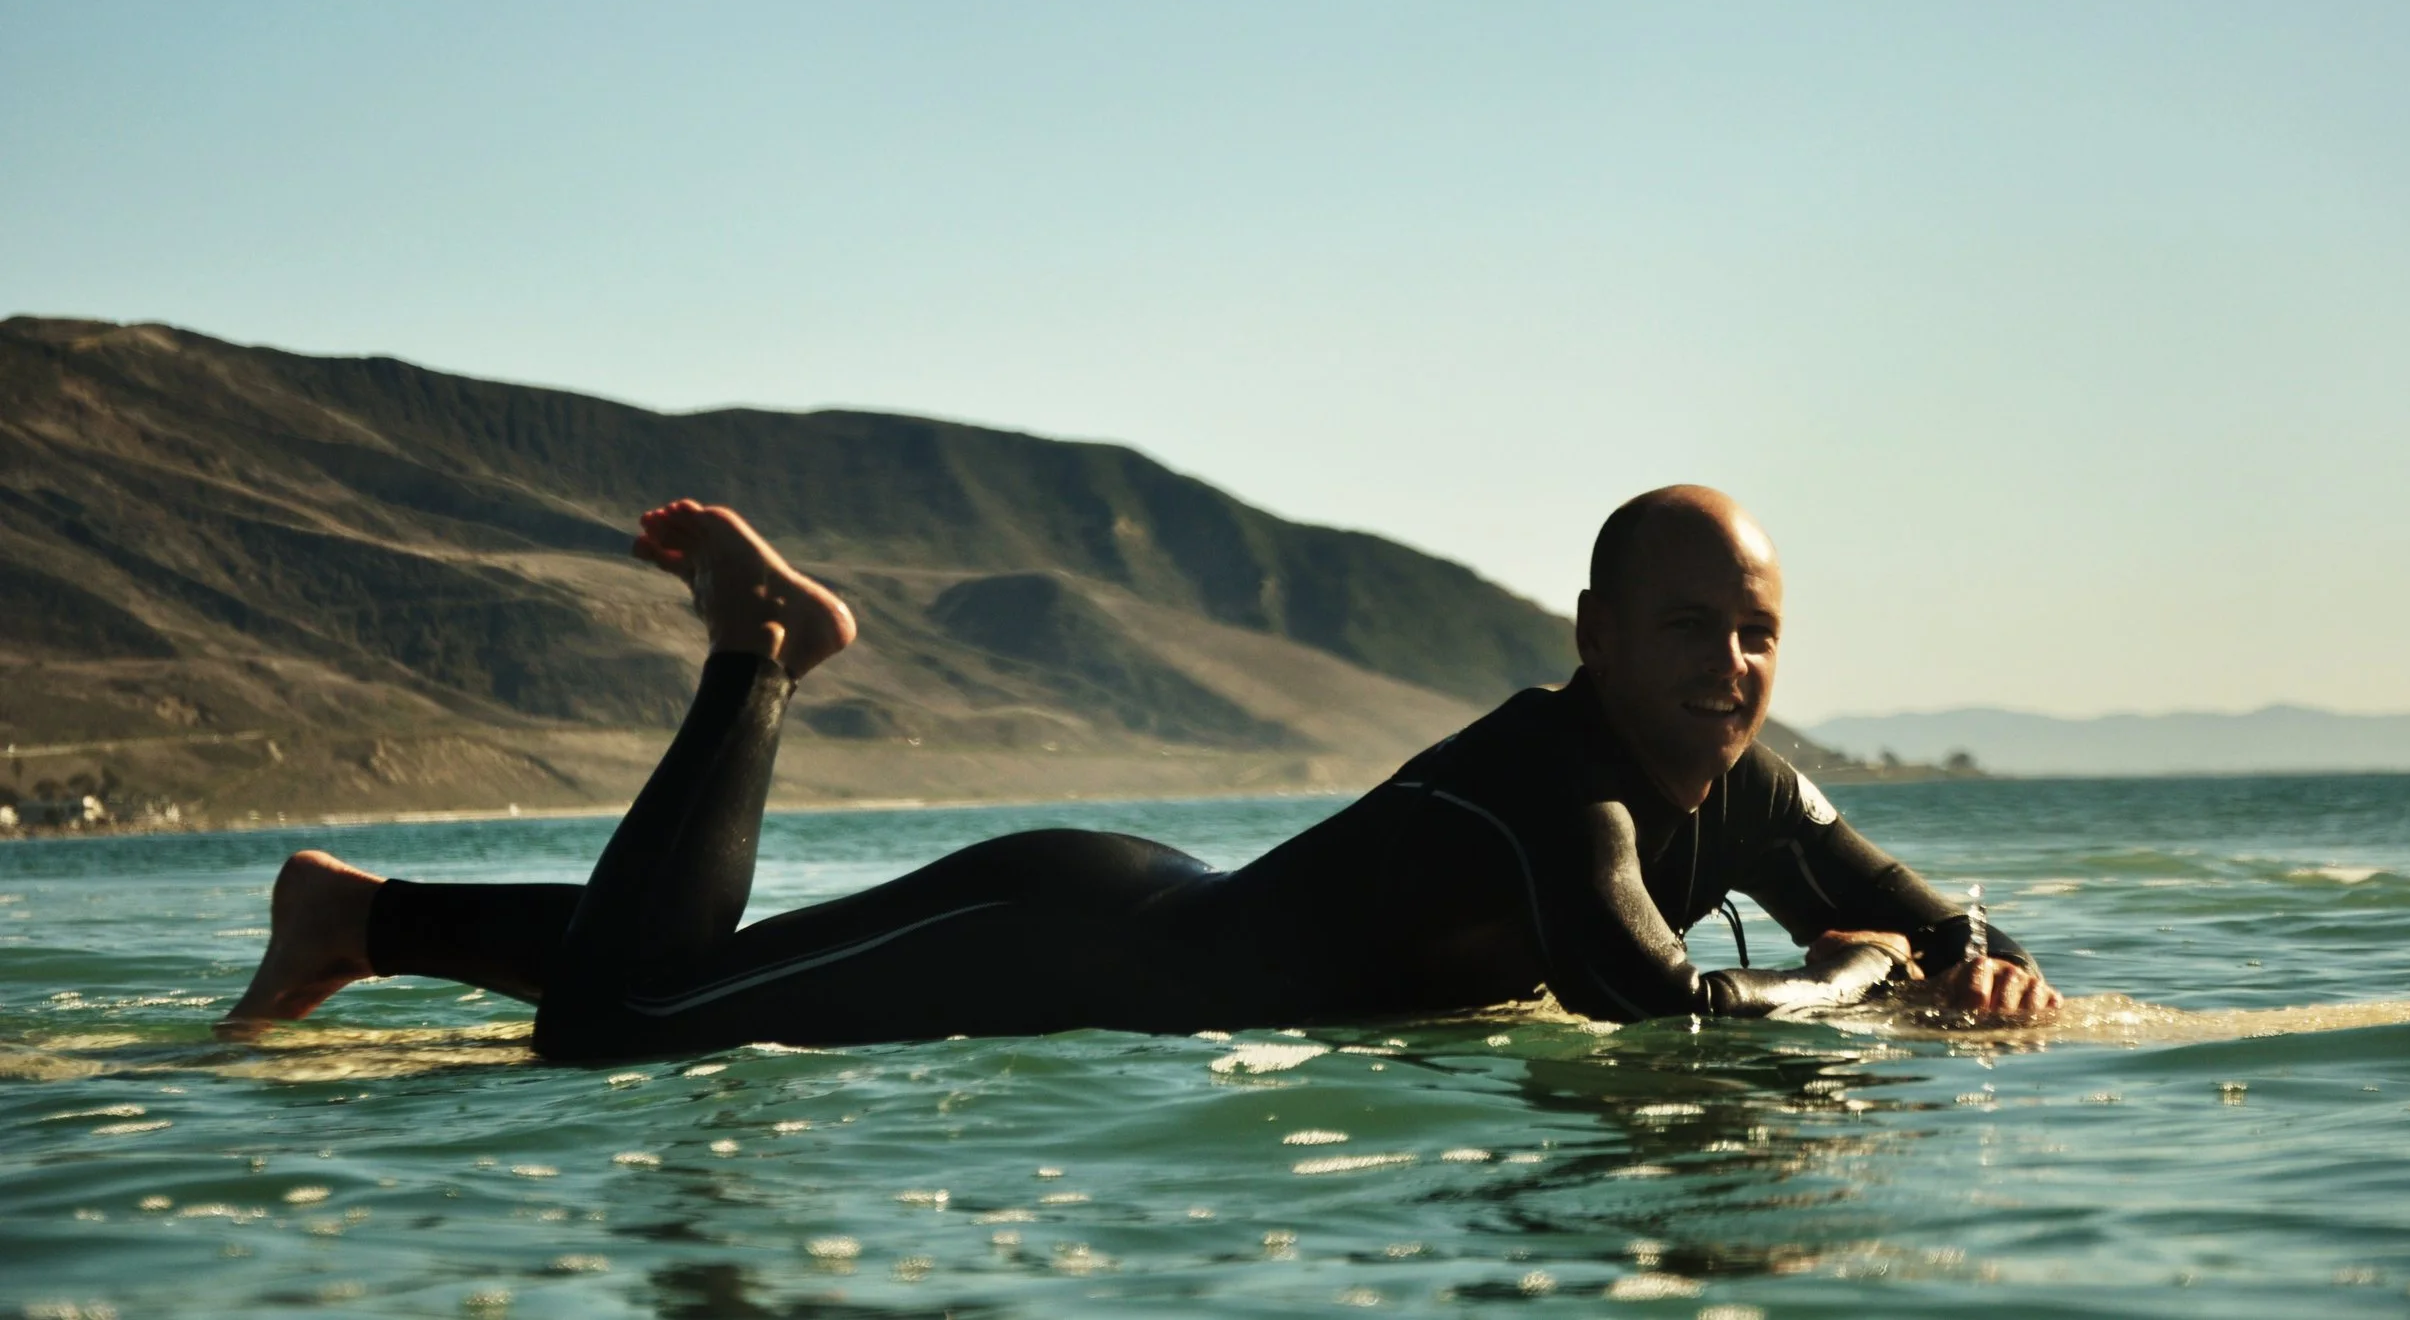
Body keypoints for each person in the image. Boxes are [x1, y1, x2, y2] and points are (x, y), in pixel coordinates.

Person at [219, 488, 2056, 1061]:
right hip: (1052, 947)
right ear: (1591, 630)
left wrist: (1970, 958)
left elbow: (1912, 911)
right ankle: (759, 655)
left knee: (693, 975)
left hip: (1126, 915)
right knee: (622, 1030)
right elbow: (1649, 1003)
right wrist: (1857, 988)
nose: (1728, 670)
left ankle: (362, 919)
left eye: (1755, 638)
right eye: (1686, 631)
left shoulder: (1742, 785)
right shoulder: (1555, 782)